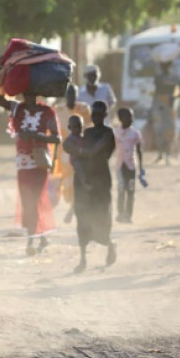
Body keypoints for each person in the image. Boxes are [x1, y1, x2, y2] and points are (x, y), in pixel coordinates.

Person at [0, 68, 61, 256]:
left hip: (39, 161)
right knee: (28, 200)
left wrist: (37, 136)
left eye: (31, 93)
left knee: (35, 198)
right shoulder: (17, 108)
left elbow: (57, 138)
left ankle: (32, 240)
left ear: (36, 94)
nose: (27, 97)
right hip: (23, 162)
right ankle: (40, 236)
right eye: (25, 93)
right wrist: (1, 68)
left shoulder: (47, 112)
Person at [65, 101, 117, 272]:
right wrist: (81, 153)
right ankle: (83, 259)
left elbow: (95, 150)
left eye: (99, 114)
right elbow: (67, 145)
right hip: (83, 181)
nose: (96, 117)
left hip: (101, 179)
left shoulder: (108, 133)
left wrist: (80, 152)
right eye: (94, 114)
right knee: (83, 217)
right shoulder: (85, 132)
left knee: (101, 216)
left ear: (105, 115)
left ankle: (109, 245)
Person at [114, 108, 144, 223]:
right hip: (120, 166)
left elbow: (139, 150)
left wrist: (141, 167)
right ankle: (120, 214)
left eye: (132, 117)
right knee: (121, 190)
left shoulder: (135, 133)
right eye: (129, 117)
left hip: (131, 166)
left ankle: (128, 215)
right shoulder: (116, 132)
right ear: (121, 119)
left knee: (130, 191)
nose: (132, 119)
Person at [151, 60, 180, 165]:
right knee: (158, 129)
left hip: (170, 105)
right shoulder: (158, 77)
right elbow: (157, 90)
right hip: (159, 104)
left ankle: (168, 154)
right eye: (162, 65)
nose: (163, 67)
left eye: (165, 65)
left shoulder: (175, 76)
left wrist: (174, 98)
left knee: (169, 129)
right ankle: (160, 154)